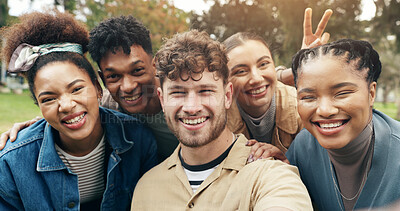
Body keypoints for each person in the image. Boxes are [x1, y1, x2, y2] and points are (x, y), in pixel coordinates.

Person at [131, 29, 312, 210]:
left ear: (227, 96)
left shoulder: (271, 177)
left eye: (205, 91)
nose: (192, 108)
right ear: (162, 99)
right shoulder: (145, 189)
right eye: (178, 93)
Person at [0, 11, 157, 210]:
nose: (66, 105)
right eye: (49, 98)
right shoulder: (11, 164)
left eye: (76, 89)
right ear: (38, 106)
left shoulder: (140, 140)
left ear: (99, 89)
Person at [286, 39, 400, 210]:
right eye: (308, 97)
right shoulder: (302, 149)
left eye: (342, 93)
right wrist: (274, 162)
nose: (325, 110)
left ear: (371, 93)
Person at [224, 8, 332, 153]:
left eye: (263, 64)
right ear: (225, 82)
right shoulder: (218, 116)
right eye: (241, 71)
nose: (256, 78)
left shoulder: (301, 107)